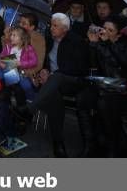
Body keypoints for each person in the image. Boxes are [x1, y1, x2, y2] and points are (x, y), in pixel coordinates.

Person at [28, 13, 91, 157]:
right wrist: (43, 71)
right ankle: (58, 142)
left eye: (55, 26)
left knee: (57, 77)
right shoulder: (49, 39)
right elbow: (44, 60)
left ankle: (30, 109)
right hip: (53, 84)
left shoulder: (76, 41)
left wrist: (52, 75)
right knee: (53, 97)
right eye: (51, 25)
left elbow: (81, 69)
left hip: (72, 81)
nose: (51, 28)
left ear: (65, 28)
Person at [87, 17, 127, 157]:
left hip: (125, 90)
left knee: (104, 104)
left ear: (119, 34)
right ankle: (101, 144)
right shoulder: (101, 44)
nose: (105, 32)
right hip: (105, 88)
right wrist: (93, 44)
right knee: (86, 99)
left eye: (110, 30)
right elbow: (93, 66)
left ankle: (112, 146)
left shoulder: (126, 45)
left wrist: (109, 43)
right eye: (104, 28)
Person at [0, 27, 38, 101]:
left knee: (27, 86)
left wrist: (21, 63)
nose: (11, 37)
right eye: (11, 35)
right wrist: (0, 63)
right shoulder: (8, 46)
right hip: (6, 69)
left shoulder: (28, 48)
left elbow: (34, 61)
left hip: (20, 71)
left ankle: (32, 100)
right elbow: (1, 57)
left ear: (22, 38)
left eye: (14, 35)